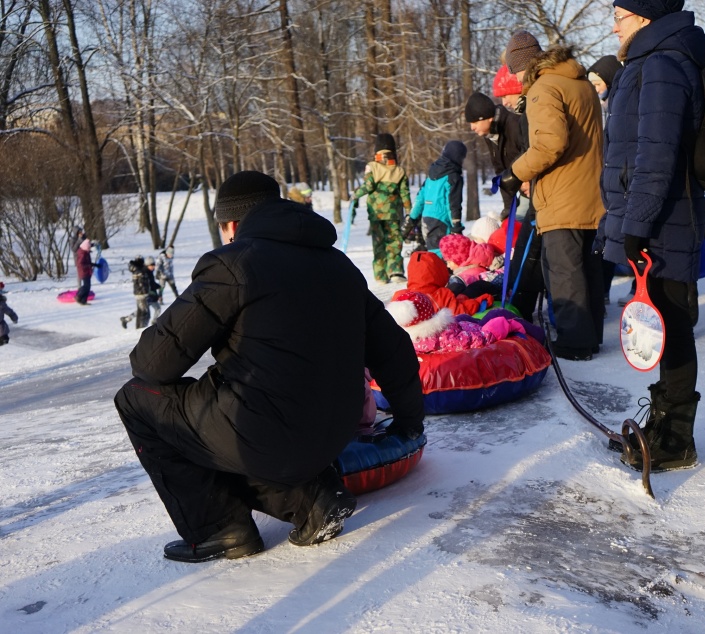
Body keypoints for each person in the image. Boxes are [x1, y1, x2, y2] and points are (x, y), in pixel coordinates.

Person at [113, 170, 424, 563]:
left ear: (232, 223)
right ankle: (311, 498)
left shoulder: (233, 265)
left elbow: (153, 365)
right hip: (335, 433)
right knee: (243, 417)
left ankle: (221, 528)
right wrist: (410, 421)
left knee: (138, 400)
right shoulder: (339, 264)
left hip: (268, 434)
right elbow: (394, 349)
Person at [597, 0, 705, 471]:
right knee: (665, 321)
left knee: (674, 325)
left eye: (619, 15)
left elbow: (655, 157)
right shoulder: (648, 62)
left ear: (643, 18)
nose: (613, 25)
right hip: (659, 218)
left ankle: (676, 439)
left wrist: (635, 226)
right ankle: (662, 424)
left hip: (667, 221)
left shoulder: (661, 64)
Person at [499, 30, 605, 361]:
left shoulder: (543, 87)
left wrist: (515, 173)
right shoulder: (578, 81)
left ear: (522, 65)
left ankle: (574, 343)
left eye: (513, 71)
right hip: (590, 190)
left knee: (563, 270)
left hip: (562, 194)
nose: (514, 79)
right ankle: (589, 337)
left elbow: (550, 144)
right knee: (587, 268)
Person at [586, 54, 629, 306]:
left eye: (597, 84)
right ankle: (602, 293)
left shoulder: (618, 107)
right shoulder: (606, 108)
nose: (594, 91)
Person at [352, 133, 412, 283]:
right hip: (394, 212)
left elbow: (369, 185)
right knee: (394, 240)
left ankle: (380, 276)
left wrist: (356, 194)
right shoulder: (399, 170)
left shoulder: (372, 167)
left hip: (376, 214)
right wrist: (409, 211)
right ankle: (396, 271)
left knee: (378, 242)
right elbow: (405, 193)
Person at [403, 141, 467, 257]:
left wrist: (411, 220)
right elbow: (453, 204)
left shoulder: (431, 175)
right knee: (443, 256)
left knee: (433, 252)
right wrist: (456, 226)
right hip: (442, 222)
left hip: (427, 220)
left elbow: (420, 199)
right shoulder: (453, 177)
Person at [465, 91, 522, 217]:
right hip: (521, 191)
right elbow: (501, 172)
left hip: (538, 190)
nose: (472, 127)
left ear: (488, 117)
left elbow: (533, 156)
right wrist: (508, 208)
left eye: (474, 122)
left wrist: (527, 181)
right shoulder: (490, 134)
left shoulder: (515, 125)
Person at [119, 256, 161, 329]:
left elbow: (151, 283)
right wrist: (154, 292)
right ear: (147, 265)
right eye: (152, 265)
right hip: (147, 295)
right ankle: (133, 322)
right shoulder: (145, 272)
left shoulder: (148, 272)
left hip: (150, 295)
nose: (153, 267)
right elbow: (147, 285)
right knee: (143, 311)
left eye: (154, 265)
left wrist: (158, 286)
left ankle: (153, 323)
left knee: (155, 308)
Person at [74, 238, 95, 305]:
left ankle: (83, 300)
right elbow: (80, 264)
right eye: (88, 247)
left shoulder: (85, 252)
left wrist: (95, 264)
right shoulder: (82, 254)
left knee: (87, 286)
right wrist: (89, 265)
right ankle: (79, 296)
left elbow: (88, 262)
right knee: (86, 286)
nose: (89, 248)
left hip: (86, 271)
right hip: (83, 271)